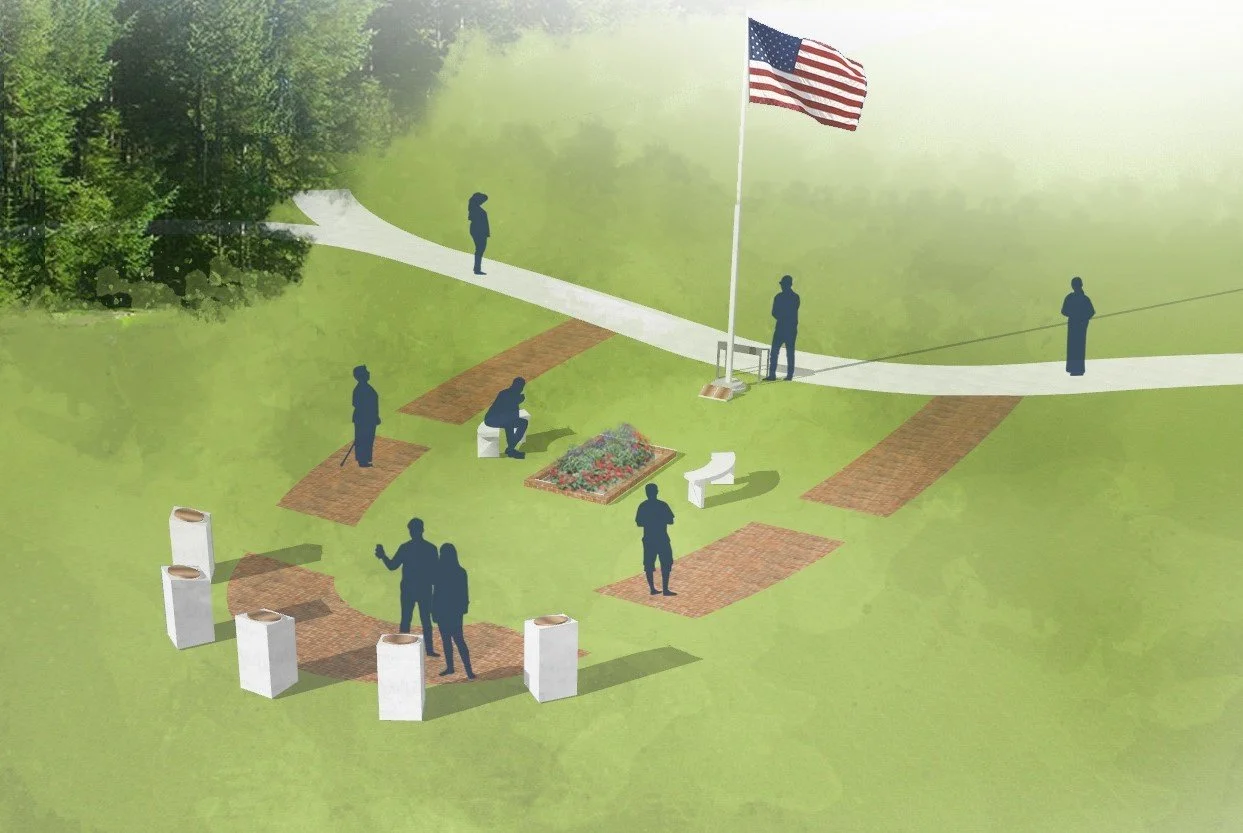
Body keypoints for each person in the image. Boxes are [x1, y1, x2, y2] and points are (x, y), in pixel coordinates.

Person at [375, 518, 440, 656]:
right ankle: (429, 649)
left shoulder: (405, 547)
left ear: (411, 531)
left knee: (406, 619)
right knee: (425, 620)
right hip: (424, 589)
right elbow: (436, 572)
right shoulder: (431, 548)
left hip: (408, 589)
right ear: (422, 530)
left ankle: (403, 648)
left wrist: (383, 556)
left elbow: (392, 566)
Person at [432, 542, 474, 679]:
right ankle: (467, 671)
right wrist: (463, 608)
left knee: (450, 640)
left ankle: (453, 668)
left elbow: (435, 592)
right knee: (457, 640)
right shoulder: (460, 572)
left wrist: (434, 612)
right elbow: (464, 593)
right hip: (454, 612)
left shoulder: (439, 572)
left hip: (444, 612)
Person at [635, 483, 676, 596]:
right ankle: (665, 589)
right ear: (656, 492)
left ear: (647, 493)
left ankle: (652, 589)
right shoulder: (662, 505)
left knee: (649, 564)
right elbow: (671, 521)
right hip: (662, 538)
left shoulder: (643, 506)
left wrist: (650, 521)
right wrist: (660, 520)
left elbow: (639, 523)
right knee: (666, 563)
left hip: (649, 539)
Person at [765, 275, 800, 381]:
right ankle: (789, 375)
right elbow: (793, 310)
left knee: (775, 352)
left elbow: (774, 312)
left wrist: (781, 316)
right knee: (790, 352)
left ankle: (772, 375)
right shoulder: (795, 297)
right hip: (791, 328)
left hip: (781, 327)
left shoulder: (779, 297)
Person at [483, 377, 528, 459]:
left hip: (502, 418)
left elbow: (513, 415)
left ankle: (511, 448)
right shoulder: (506, 394)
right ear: (516, 386)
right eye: (521, 387)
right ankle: (511, 450)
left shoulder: (513, 394)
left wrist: (517, 400)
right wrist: (517, 401)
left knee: (522, 422)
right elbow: (510, 413)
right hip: (492, 419)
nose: (521, 389)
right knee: (509, 422)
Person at [1061, 276, 1096, 376]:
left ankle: (1073, 368)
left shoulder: (1070, 298)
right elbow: (1091, 312)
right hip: (1080, 326)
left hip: (1074, 325)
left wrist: (1074, 315)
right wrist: (1083, 318)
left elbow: (1064, 311)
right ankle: (1078, 369)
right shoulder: (1084, 299)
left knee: (1073, 347)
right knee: (1079, 347)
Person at [351, 365, 381, 467]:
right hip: (364, 418)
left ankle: (365, 459)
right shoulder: (360, 389)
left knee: (368, 438)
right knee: (364, 438)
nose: (369, 373)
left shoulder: (365, 388)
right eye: (366, 372)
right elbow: (356, 403)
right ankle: (362, 460)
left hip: (368, 418)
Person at [469, 192, 489, 275]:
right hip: (479, 231)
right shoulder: (479, 211)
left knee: (479, 249)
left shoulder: (473, 208)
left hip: (476, 230)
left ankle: (477, 268)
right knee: (480, 249)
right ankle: (477, 269)